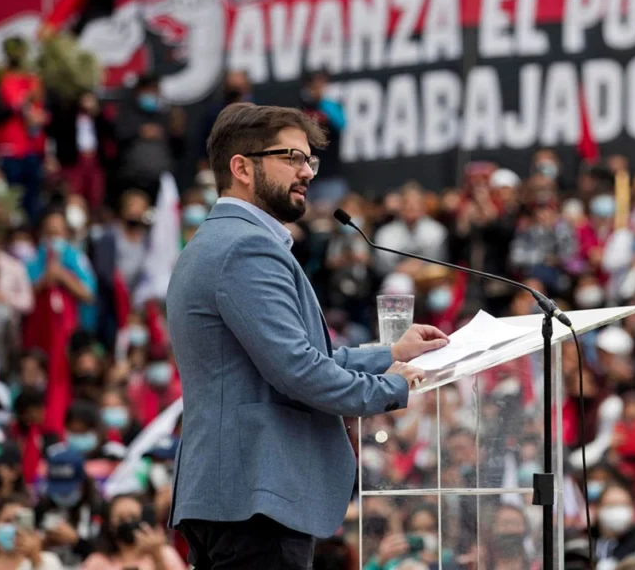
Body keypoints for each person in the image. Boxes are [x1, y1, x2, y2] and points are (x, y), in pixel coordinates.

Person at [165, 103, 448, 569]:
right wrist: (393, 385)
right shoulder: (245, 247)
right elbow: (297, 370)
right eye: (290, 158)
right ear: (242, 168)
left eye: (308, 160)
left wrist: (390, 353)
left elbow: (304, 356)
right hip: (254, 498)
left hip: (237, 494)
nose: (306, 172)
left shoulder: (221, 240)